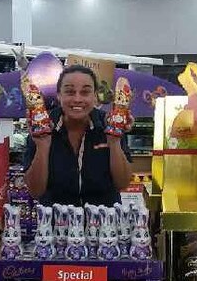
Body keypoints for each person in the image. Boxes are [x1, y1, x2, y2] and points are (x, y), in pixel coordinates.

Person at [23, 65, 133, 207]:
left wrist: (114, 141)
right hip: (56, 225)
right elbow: (35, 191)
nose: (77, 99)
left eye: (85, 92)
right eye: (69, 92)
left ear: (95, 96)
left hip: (104, 223)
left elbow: (122, 183)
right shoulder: (42, 127)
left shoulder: (109, 124)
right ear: (59, 95)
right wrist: (43, 146)